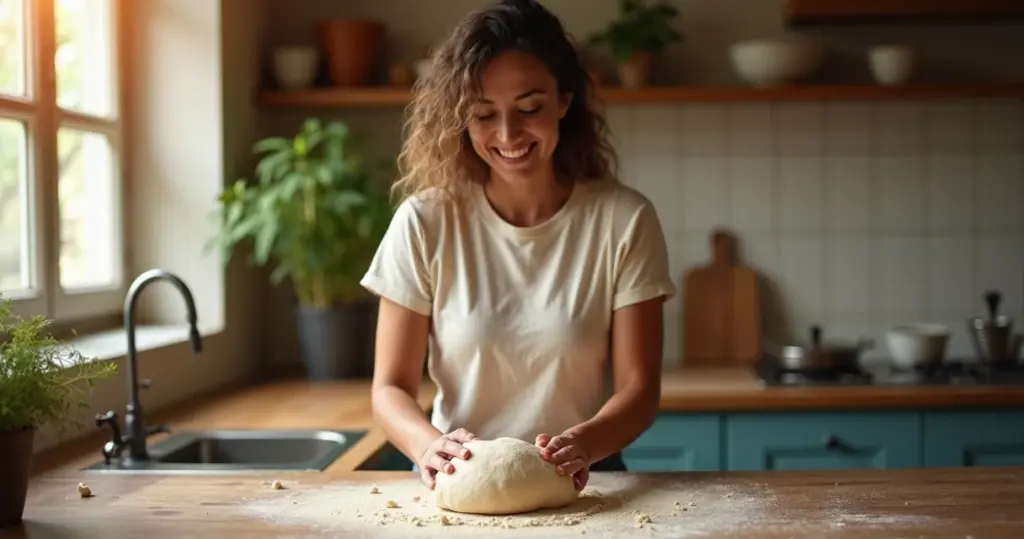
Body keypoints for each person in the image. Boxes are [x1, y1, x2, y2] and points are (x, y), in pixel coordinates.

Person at [360, 0, 676, 493]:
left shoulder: (624, 220)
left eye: (530, 109)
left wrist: (583, 444)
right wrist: (428, 446)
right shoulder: (425, 221)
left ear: (564, 101)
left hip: (584, 475)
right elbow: (390, 389)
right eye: (484, 115)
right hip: (457, 478)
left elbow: (639, 390)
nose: (508, 135)